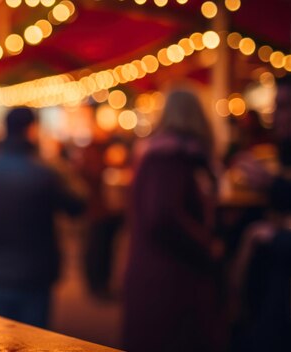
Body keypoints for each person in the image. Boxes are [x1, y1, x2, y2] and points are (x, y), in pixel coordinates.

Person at [123, 89, 228, 352]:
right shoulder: (169, 157)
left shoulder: (167, 155)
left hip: (158, 276)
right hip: (169, 281)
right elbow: (163, 215)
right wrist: (206, 245)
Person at [0, 107, 84, 328]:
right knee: (32, 341)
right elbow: (77, 206)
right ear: (32, 129)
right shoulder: (46, 171)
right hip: (34, 272)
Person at [230, 75, 291, 352]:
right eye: (276, 106)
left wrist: (271, 236)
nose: (276, 116)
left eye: (285, 106)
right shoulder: (277, 154)